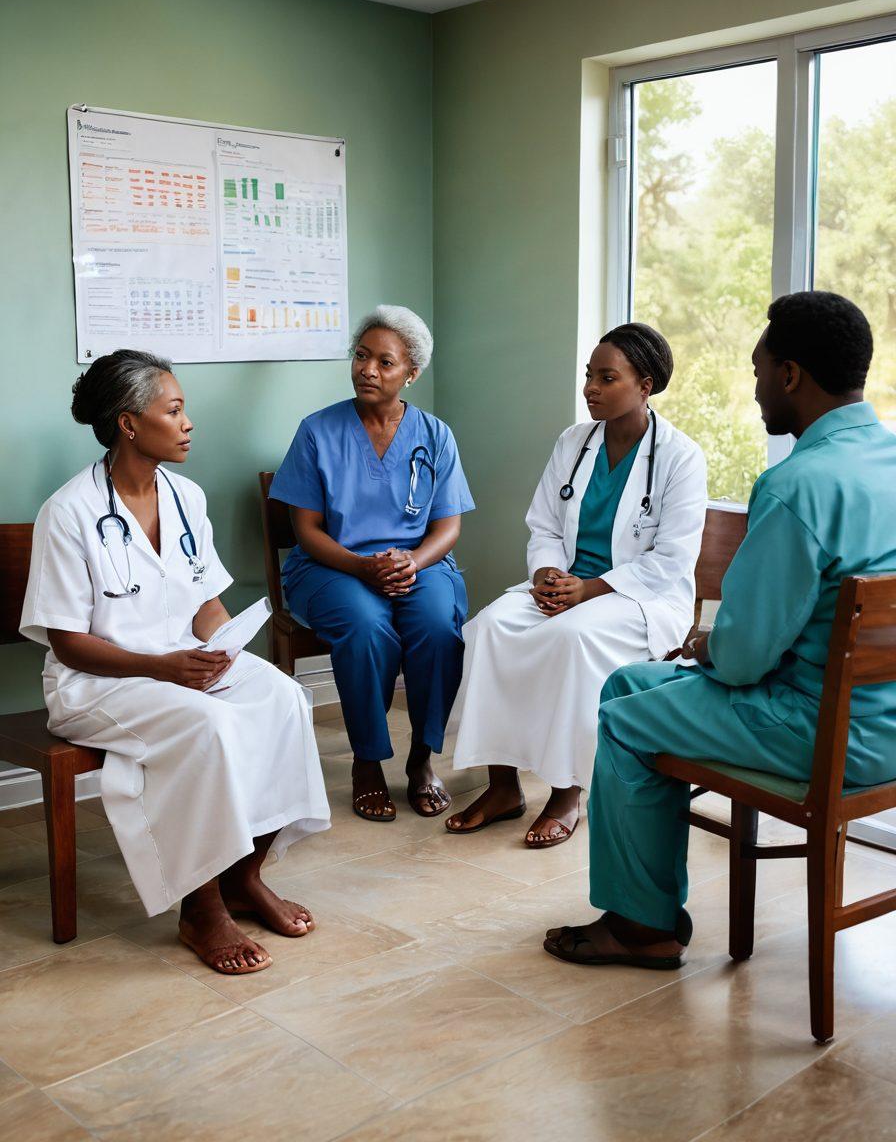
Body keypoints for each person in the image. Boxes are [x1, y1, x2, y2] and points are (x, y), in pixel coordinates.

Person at [544, 291, 896, 968]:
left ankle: (642, 929)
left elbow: (741, 662)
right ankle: (641, 906)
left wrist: (710, 644)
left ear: (790, 374)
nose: (756, 384)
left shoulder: (797, 485)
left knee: (624, 721)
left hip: (820, 732)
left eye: (759, 369)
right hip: (886, 724)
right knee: (627, 684)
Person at [20, 350, 330, 976]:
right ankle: (201, 905)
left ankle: (245, 874)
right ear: (129, 424)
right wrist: (163, 668)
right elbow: (67, 642)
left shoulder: (186, 496)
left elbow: (206, 603)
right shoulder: (70, 512)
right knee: (207, 726)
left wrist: (224, 645)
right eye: (175, 409)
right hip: (98, 682)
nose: (189, 422)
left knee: (284, 698)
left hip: (182, 665)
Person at [445, 323, 707, 846]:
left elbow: (672, 559)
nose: (591, 388)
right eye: (589, 376)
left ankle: (567, 792)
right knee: (489, 627)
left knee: (571, 638)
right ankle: (503, 786)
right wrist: (545, 573)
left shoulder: (680, 457)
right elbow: (543, 524)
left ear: (645, 384)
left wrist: (589, 590)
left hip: (637, 597)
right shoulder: (574, 442)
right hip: (563, 587)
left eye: (607, 378)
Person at [270, 305, 474, 822]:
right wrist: (362, 569)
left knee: (435, 626)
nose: (368, 369)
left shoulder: (437, 435)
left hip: (418, 563)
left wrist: (412, 561)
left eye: (385, 362)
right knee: (365, 626)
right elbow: (307, 530)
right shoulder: (318, 431)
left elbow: (447, 527)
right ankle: (367, 761)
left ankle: (422, 761)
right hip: (332, 565)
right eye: (362, 356)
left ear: (411, 373)